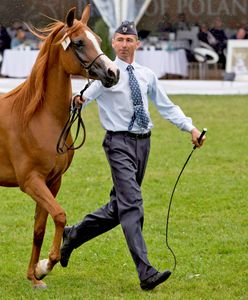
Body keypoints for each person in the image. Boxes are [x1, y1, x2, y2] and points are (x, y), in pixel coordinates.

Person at [60, 20, 205, 291]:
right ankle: (145, 271)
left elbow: (166, 106)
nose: (124, 45)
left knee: (119, 208)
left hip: (143, 144)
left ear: (137, 43)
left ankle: (74, 235)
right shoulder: (107, 74)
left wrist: (191, 128)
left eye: (129, 40)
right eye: (120, 40)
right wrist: (77, 101)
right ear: (112, 43)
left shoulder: (146, 75)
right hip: (118, 144)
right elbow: (82, 98)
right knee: (133, 204)